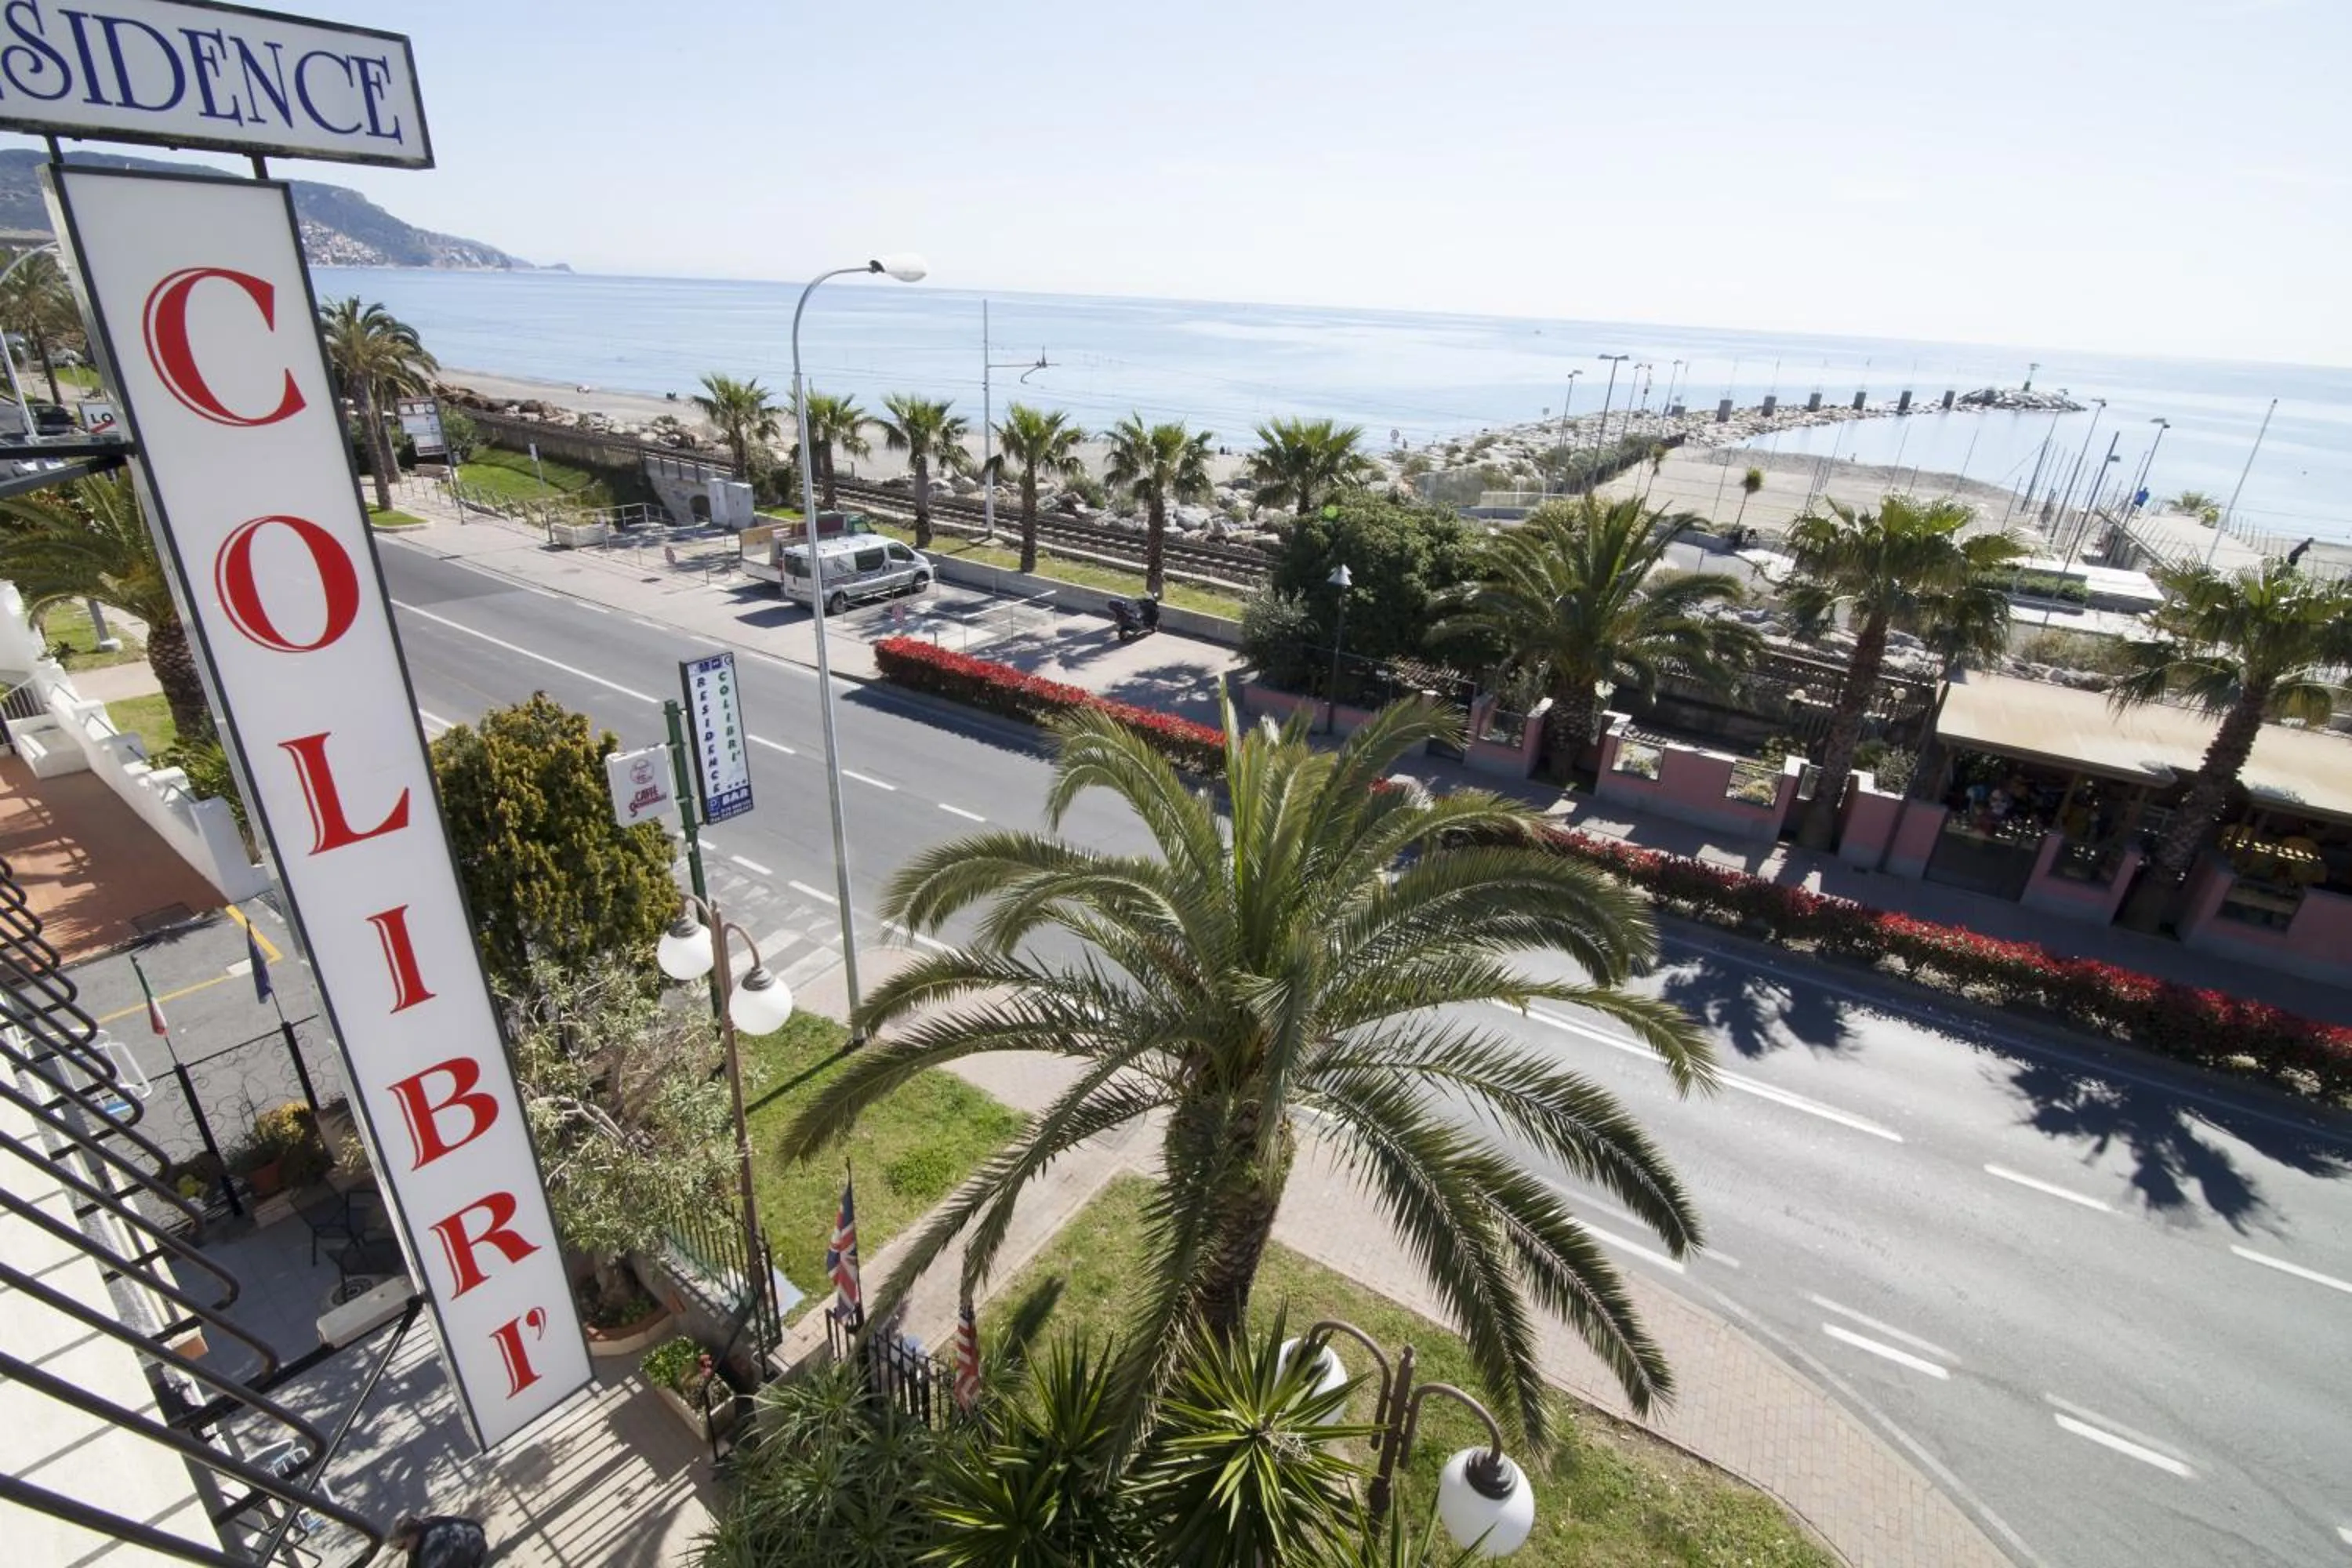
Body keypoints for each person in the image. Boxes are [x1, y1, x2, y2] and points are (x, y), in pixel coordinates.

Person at [388, 1514, 488, 1567]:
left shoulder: (431, 1550)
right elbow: (413, 1560)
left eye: (402, 1546)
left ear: (412, 1536)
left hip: (476, 1552)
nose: (403, 1550)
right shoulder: (423, 1524)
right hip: (474, 1530)